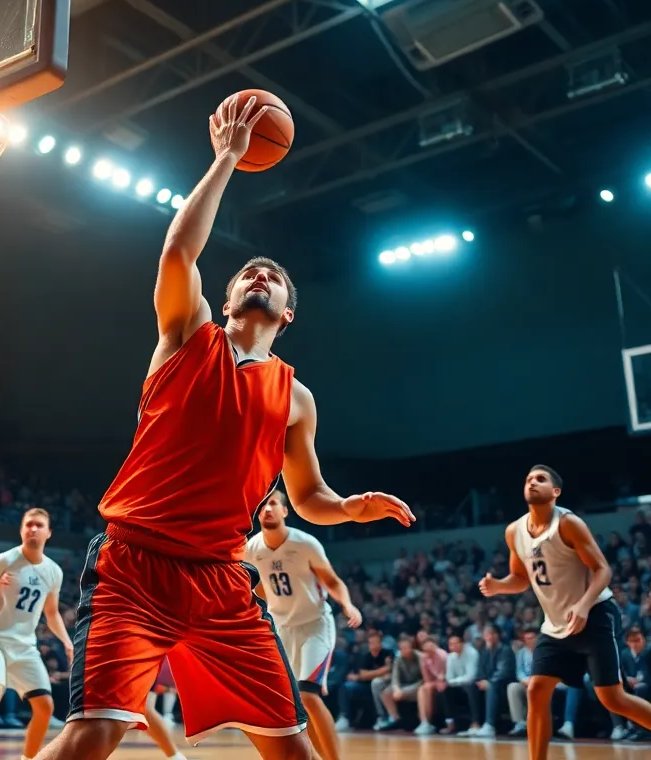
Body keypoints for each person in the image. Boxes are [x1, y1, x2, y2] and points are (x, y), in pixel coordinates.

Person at [37, 95, 415, 760]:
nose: (260, 276)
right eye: (249, 273)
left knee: (290, 748)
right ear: (231, 297)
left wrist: (353, 507)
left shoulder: (297, 398)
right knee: (90, 735)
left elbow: (307, 498)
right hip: (135, 564)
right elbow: (180, 248)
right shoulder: (187, 334)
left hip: (221, 580)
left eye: (272, 277)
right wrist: (227, 161)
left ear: (288, 313)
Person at [479, 465, 651, 760]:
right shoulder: (514, 532)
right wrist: (498, 585)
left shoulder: (568, 524)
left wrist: (584, 605)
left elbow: (603, 569)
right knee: (536, 690)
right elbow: (521, 578)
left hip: (596, 614)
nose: (532, 482)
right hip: (555, 626)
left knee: (612, 698)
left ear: (556, 492)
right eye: (528, 479)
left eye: (541, 479)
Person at [245, 490, 363, 759]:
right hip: (281, 629)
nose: (268, 509)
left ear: (285, 511)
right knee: (294, 703)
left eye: (273, 503)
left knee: (308, 694)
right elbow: (257, 590)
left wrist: (347, 604)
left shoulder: (305, 543)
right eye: (262, 505)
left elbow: (332, 581)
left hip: (314, 626)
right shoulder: (251, 548)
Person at [0, 508, 72, 759]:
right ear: (21, 529)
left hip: (24, 646)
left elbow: (52, 613)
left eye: (39, 525)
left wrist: (67, 641)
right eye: (28, 524)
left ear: (48, 533)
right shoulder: (4, 560)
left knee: (45, 707)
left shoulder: (54, 571)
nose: (33, 529)